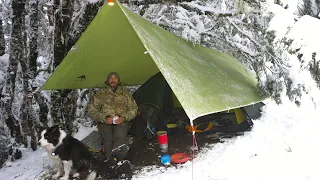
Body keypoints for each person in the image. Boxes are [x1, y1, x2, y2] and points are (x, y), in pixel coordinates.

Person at [87, 72, 138, 159]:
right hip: (105, 122)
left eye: (115, 78)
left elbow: (134, 109)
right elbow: (91, 109)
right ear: (107, 81)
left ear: (118, 81)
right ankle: (109, 161)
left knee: (119, 138)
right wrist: (104, 118)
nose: (113, 80)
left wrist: (124, 117)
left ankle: (117, 161)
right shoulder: (101, 94)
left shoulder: (125, 94)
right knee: (108, 140)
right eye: (111, 78)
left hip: (122, 121)